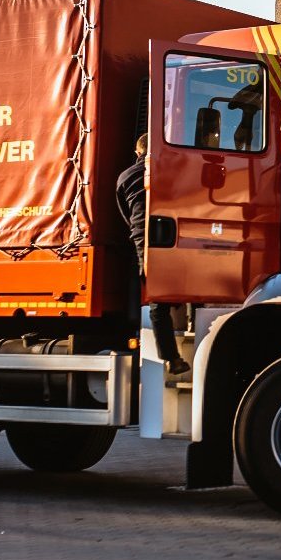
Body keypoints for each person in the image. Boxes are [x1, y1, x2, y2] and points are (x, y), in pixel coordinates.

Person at [115, 134, 188, 377]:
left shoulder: (124, 177)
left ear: (137, 153)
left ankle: (171, 358)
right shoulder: (172, 170)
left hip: (144, 239)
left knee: (157, 302)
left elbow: (126, 215)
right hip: (174, 232)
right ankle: (191, 319)